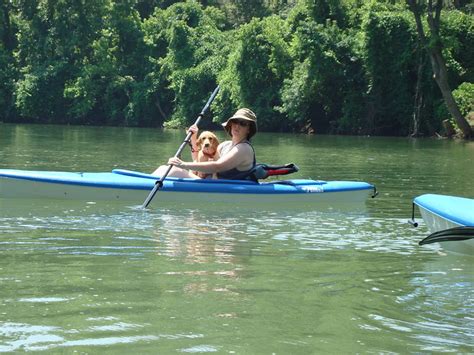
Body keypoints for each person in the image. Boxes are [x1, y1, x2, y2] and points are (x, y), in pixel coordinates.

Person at [152, 108, 257, 179]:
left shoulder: (244, 148)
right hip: (209, 182)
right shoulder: (225, 145)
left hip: (223, 187)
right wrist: (194, 138)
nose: (237, 126)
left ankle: (144, 187)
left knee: (175, 171)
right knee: (164, 168)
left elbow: (217, 167)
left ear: (249, 129)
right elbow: (197, 159)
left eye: (242, 123)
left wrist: (183, 164)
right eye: (235, 122)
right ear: (230, 124)